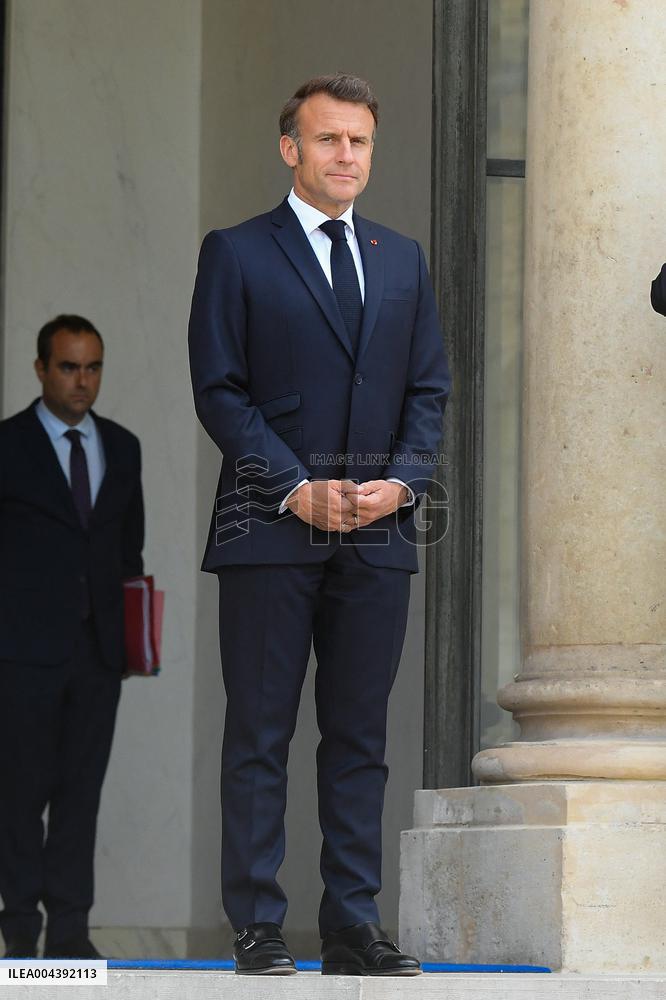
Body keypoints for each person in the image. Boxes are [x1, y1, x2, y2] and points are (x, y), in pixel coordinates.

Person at [188, 73, 450, 976]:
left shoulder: (402, 257)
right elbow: (219, 390)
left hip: (377, 531)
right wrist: (294, 487)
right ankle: (258, 924)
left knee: (359, 738)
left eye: (361, 142)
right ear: (290, 148)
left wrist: (404, 485)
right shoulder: (236, 252)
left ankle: (351, 927)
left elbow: (429, 391)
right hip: (270, 527)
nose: (348, 156)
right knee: (260, 733)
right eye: (330, 140)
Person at [0, 315, 144, 959]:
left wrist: (131, 640)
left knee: (81, 797)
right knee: (20, 795)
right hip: (21, 654)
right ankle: (19, 933)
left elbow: (127, 550)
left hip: (98, 654)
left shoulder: (123, 445)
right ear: (40, 369)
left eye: (92, 368)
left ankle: (69, 937)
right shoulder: (7, 445)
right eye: (68, 367)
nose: (81, 381)